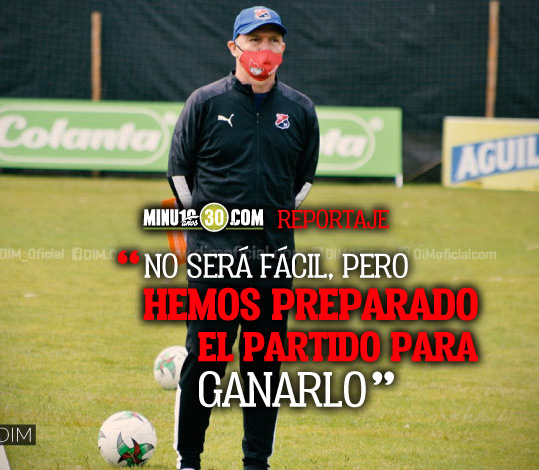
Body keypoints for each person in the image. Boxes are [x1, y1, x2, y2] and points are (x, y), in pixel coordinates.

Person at [166, 6, 319, 470]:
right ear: (235, 47)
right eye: (255, 40)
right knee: (205, 362)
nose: (264, 50)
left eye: (273, 40)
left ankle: (256, 463)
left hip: (272, 262)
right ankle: (189, 460)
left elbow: (301, 183)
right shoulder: (205, 103)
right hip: (214, 262)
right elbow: (179, 174)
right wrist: (202, 232)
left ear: (283, 48)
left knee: (263, 368)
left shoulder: (300, 109)